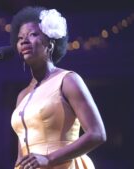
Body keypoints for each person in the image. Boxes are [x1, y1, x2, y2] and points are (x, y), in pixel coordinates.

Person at [10, 6, 106, 169]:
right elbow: (22, 152)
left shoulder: (68, 80)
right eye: (20, 38)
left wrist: (49, 158)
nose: (24, 41)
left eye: (33, 34)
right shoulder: (22, 95)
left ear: (51, 43)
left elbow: (97, 134)